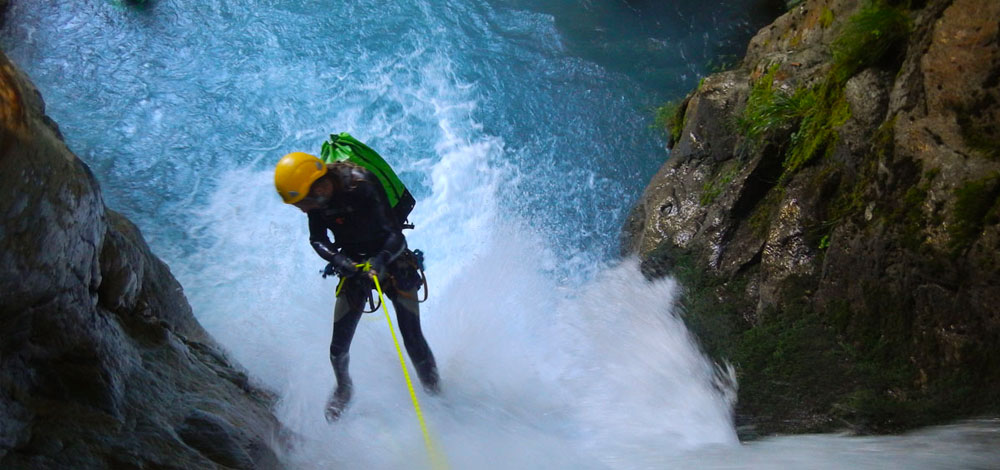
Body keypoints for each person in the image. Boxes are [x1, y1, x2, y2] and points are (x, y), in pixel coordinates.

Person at [274, 151, 440, 422]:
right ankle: (344, 388)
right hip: (354, 267)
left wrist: (380, 261)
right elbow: (317, 239)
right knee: (337, 349)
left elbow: (395, 237)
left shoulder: (361, 184)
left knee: (412, 337)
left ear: (319, 185)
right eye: (298, 205)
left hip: (393, 262)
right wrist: (342, 261)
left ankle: (436, 396)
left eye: (303, 202)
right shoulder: (315, 201)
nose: (303, 209)